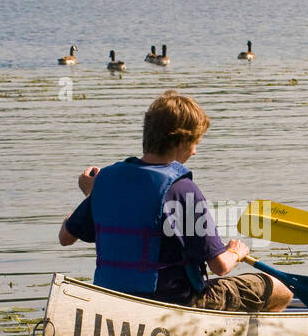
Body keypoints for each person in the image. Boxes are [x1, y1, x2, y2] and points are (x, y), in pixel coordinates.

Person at [59, 90, 293, 312]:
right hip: (174, 302)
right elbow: (220, 266)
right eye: (195, 143)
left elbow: (65, 237)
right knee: (279, 288)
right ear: (180, 142)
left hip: (114, 298)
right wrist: (236, 252)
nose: (194, 152)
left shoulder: (106, 181)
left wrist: (93, 195)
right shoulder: (182, 189)